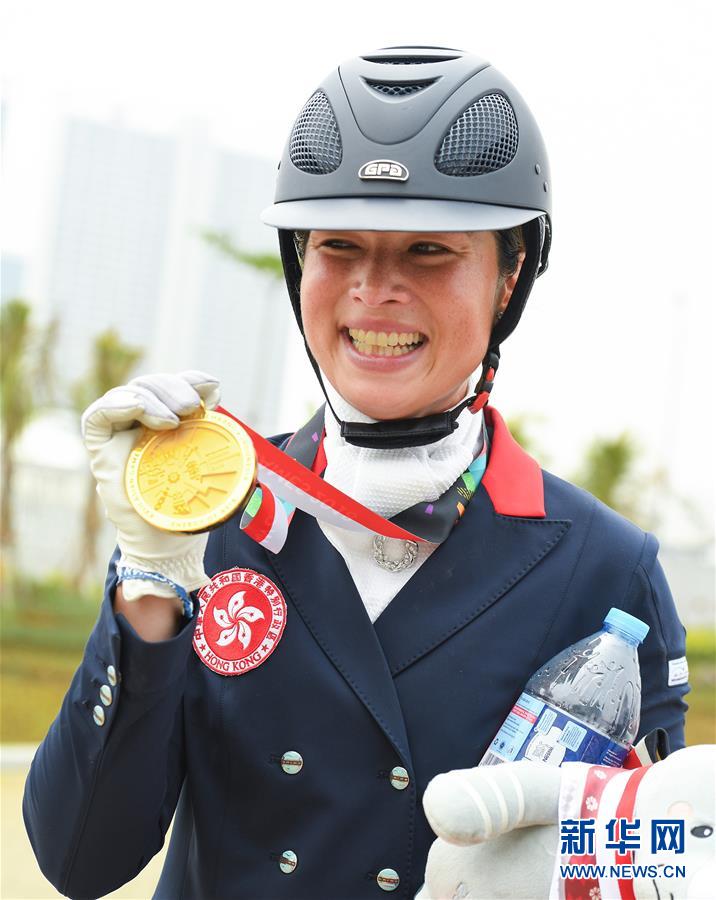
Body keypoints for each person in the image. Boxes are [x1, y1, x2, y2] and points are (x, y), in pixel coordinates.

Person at [23, 46, 689, 900]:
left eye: (429, 251)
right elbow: (82, 860)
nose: (375, 290)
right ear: (299, 260)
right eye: (339, 245)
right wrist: (150, 582)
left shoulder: (608, 569)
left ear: (510, 275)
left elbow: (653, 855)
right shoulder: (209, 512)